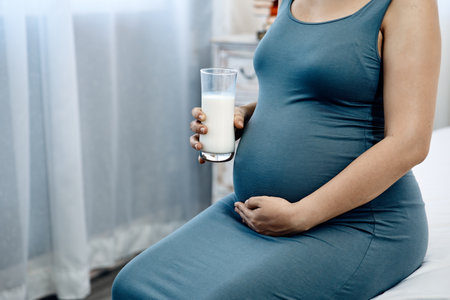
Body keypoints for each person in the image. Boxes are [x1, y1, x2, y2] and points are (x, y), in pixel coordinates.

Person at [112, 0, 441, 298]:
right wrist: (242, 115)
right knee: (133, 286)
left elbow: (409, 143)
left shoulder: (407, 4)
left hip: (360, 224)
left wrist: (301, 215)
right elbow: (296, 93)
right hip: (254, 212)